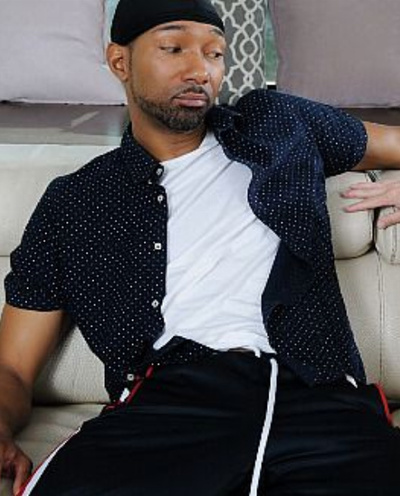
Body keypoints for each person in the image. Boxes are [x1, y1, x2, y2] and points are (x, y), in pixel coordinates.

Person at [1, 0, 400, 494]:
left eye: (215, 54)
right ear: (119, 61)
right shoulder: (76, 202)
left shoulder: (277, 124)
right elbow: (12, 367)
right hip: (167, 406)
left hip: (319, 397)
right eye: (174, 49)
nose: (200, 70)